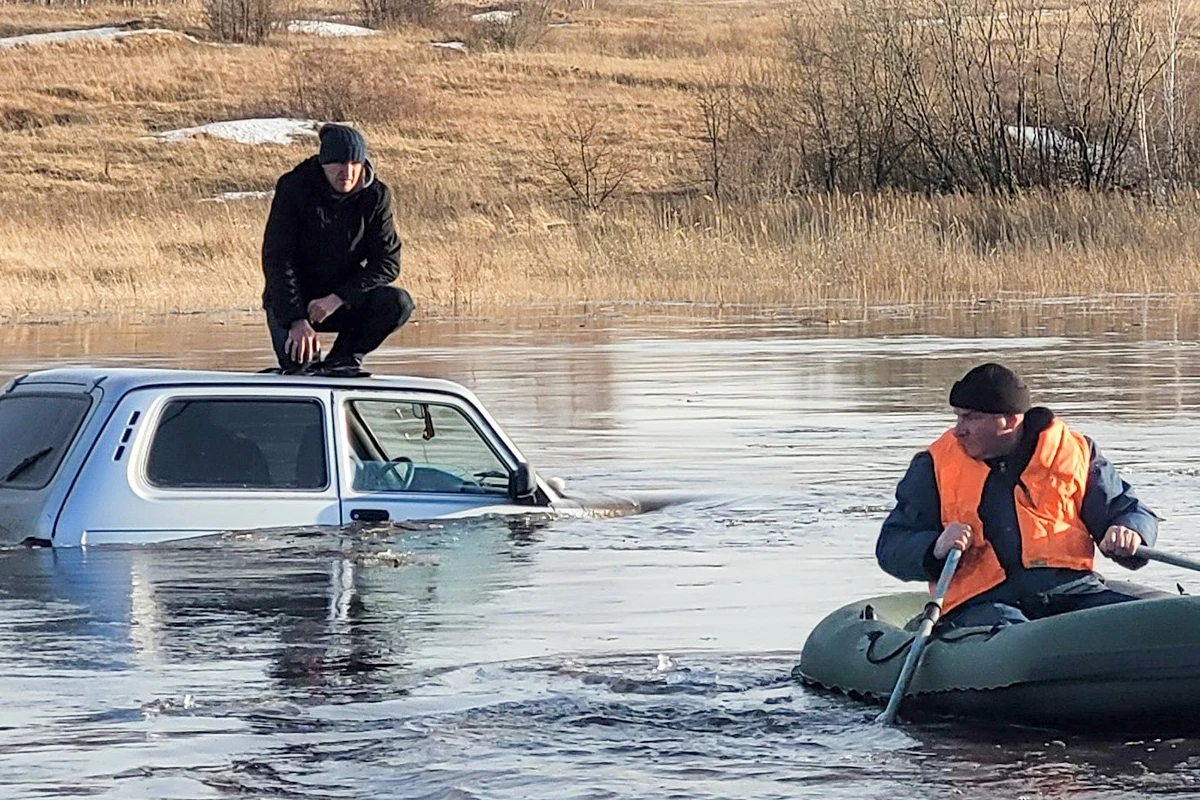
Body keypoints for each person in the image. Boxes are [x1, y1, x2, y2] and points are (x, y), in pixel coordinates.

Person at [876, 362, 1159, 628]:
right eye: (958, 417)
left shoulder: (1074, 453)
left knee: (1144, 623)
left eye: (971, 418)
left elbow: (1125, 508)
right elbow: (892, 545)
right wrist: (935, 547)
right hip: (982, 603)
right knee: (1013, 631)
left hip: (1071, 593)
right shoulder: (934, 465)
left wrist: (1129, 529)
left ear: (1010, 421)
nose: (959, 430)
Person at [261, 123, 414, 376]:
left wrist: (339, 297)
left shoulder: (376, 196)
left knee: (398, 303)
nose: (347, 172)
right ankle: (302, 369)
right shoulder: (294, 187)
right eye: (338, 164)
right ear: (323, 164)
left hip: (343, 299)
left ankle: (343, 360)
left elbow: (388, 262)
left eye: (355, 164)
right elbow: (277, 260)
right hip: (295, 300)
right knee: (301, 372)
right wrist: (296, 320)